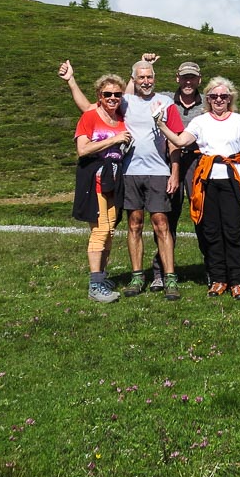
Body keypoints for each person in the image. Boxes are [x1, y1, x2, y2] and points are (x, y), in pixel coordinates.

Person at [59, 58, 185, 300]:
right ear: (134, 79)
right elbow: (89, 108)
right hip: (128, 172)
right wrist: (71, 81)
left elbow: (174, 141)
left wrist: (175, 172)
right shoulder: (124, 102)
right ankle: (137, 276)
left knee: (161, 224)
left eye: (150, 76)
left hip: (158, 171)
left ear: (155, 78)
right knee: (134, 224)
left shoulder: (165, 102)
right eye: (141, 77)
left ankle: (170, 277)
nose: (146, 81)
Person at [154, 78, 240, 298]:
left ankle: (237, 281)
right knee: (211, 230)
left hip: (232, 179)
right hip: (207, 180)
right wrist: (161, 125)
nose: (219, 100)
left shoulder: (239, 120)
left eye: (223, 96)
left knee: (233, 231)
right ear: (207, 99)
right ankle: (218, 279)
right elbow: (180, 141)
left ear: (230, 98)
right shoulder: (200, 121)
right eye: (214, 96)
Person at [71, 73, 132, 303]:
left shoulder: (121, 118)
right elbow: (83, 150)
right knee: (100, 230)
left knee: (110, 230)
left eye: (117, 94)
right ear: (99, 95)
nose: (113, 98)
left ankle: (102, 277)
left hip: (114, 180)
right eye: (107, 94)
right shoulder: (90, 116)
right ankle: (95, 285)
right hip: (94, 178)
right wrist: (113, 140)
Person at [149, 58, 204, 291]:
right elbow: (137, 92)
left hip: (197, 161)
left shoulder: (208, 102)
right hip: (167, 161)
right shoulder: (163, 99)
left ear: (199, 80)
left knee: (202, 214)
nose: (188, 82)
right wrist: (146, 64)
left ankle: (212, 268)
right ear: (177, 78)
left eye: (192, 77)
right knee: (166, 216)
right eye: (184, 77)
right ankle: (160, 271)